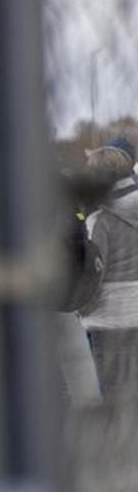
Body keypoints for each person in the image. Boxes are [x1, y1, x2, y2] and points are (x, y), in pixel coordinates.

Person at [78, 145, 138, 396]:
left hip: (108, 320)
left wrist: (81, 306)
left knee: (115, 395)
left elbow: (93, 272)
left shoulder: (100, 219)